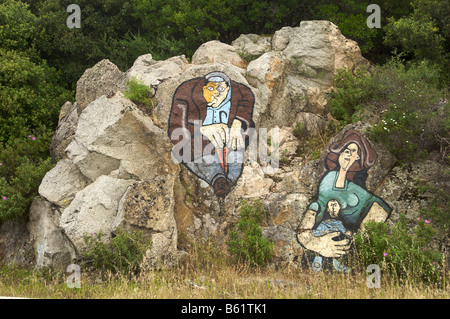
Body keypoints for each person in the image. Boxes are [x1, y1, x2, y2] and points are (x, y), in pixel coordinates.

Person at [297, 130, 392, 271]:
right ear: (339, 153)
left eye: (354, 152)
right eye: (347, 150)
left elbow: (380, 208)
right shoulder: (328, 180)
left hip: (344, 250)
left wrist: (357, 238)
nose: (349, 155)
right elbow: (311, 216)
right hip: (321, 245)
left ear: (358, 159)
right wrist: (319, 244)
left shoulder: (357, 191)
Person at [168, 72, 255, 197]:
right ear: (202, 88)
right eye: (210, 88)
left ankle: (228, 181)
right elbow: (177, 128)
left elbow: (246, 109)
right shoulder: (185, 95)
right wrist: (201, 130)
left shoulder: (241, 94)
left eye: (220, 89)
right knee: (194, 152)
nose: (216, 93)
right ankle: (217, 178)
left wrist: (238, 123)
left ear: (228, 89)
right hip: (200, 147)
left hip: (228, 145)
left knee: (236, 152)